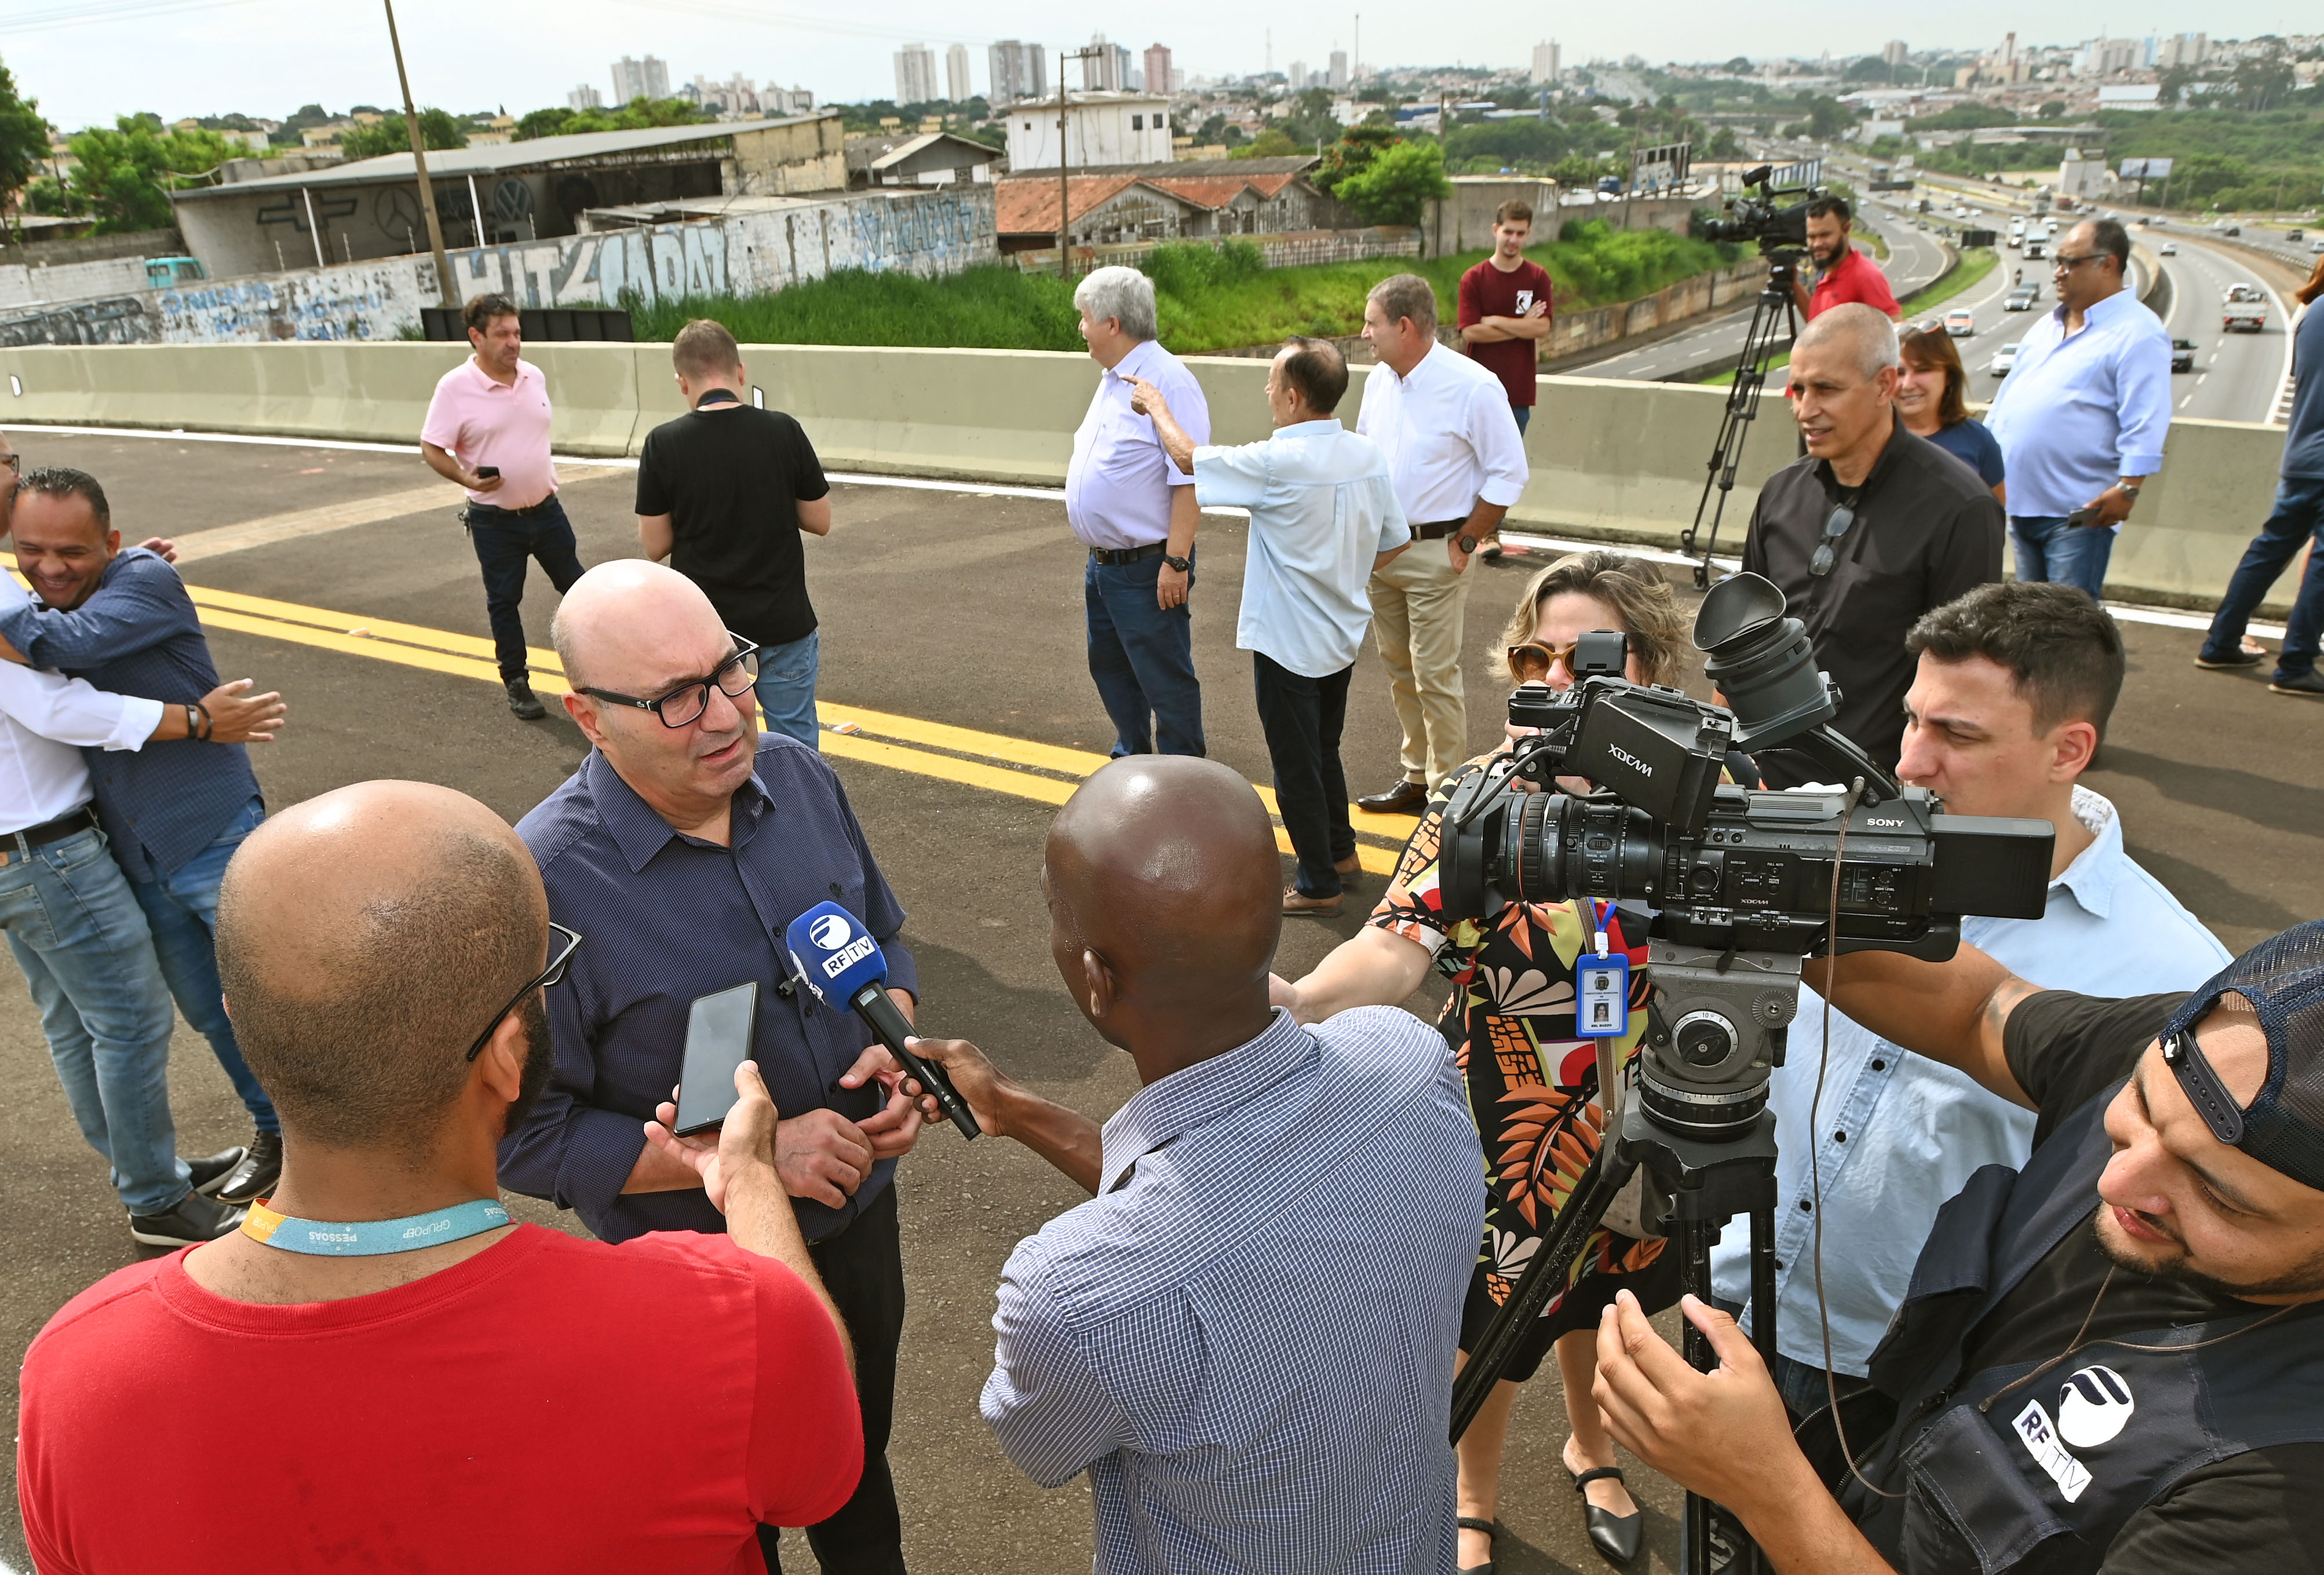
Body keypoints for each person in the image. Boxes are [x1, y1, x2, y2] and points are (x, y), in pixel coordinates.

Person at [17, 780, 863, 1572]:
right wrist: (747, 1178)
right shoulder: (728, 1325)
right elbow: (821, 1465)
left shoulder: (76, 1371)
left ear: (244, 1025)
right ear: (507, 1055)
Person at [878, 755, 1487, 1575]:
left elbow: (1041, 1436)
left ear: (1094, 978)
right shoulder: (1406, 1061)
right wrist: (1015, 1108)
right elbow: (1238, 1193)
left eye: (1057, 916)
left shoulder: (1070, 1286)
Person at [1594, 920, 2324, 1575]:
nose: (2118, 1177)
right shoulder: (2226, 1060)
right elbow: (1983, 1007)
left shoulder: (2286, 1494)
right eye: (2137, 1106)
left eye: (2217, 1194)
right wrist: (1780, 904)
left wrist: (1767, 1488)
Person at [1708, 581, 2231, 1417]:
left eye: (1956, 733)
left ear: (2068, 749)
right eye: (1912, 717)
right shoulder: (1809, 845)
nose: (1909, 760)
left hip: (1921, 1377)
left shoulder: (2174, 976)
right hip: (1732, 1301)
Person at [502, 560, 927, 1575]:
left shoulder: (803, 775)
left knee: (859, 1482)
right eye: (676, 698)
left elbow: (884, 935)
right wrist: (751, 1160)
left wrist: (896, 1036)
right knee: (728, 1525)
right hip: (691, 1273)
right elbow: (525, 1133)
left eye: (729, 669)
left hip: (857, 1221)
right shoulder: (542, 887)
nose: (728, 714)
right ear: (589, 717)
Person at [1275, 550, 1692, 1574]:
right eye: (1531, 654)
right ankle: (1470, 1492)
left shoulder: (1699, 795)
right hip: (1509, 1124)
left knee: (1609, 1302)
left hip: (1648, 1124)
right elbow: (1398, 938)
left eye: (1587, 656)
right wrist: (1302, 996)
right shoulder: (1481, 794)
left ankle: (1592, 1447)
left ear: (1648, 667)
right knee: (1493, 1325)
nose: (1553, 678)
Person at [0, 440, 285, 1247]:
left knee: (268, 992)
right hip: (129, 849)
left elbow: (75, 646)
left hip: (206, 827)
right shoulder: (38, 600)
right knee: (206, 1008)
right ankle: (267, 1132)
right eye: (33, 551)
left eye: (72, 550)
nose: (50, 567)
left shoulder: (143, 580)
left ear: (113, 544)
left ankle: (327, 1143)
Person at [1122, 336, 1411, 917]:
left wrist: (1156, 406)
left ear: (1296, 396)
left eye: (1273, 383)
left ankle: (1317, 881)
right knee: (1323, 747)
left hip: (1286, 638)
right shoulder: (1366, 455)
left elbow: (1189, 459)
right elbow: (1393, 543)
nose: (1267, 392)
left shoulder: (1277, 462)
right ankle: (1341, 850)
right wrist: (1339, 574)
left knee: (1293, 760)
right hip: (1340, 631)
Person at [1739, 304, 2004, 785]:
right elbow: (1743, 638)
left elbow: (1965, 679)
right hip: (1762, 782)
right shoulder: (1779, 493)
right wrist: (1733, 758)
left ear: (1885, 385)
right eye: (1798, 389)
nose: (1804, 409)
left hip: (1876, 795)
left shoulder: (1961, 508)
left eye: (1826, 389)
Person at [1354, 273, 1531, 815]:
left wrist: (1467, 540)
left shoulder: (1473, 385)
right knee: (1400, 671)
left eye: (1371, 322)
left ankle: (1447, 797)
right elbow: (1363, 456)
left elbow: (1508, 472)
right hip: (1381, 552)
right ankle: (1415, 777)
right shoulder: (1380, 381)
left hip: (1437, 552)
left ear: (1403, 326)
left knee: (1435, 676)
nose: (1364, 334)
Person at [638, 317, 835, 746]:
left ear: (682, 382)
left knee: (723, 741)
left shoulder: (663, 444)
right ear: (740, 372)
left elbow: (655, 546)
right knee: (797, 744)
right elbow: (820, 520)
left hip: (711, 633)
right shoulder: (782, 430)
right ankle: (801, 813)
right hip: (784, 623)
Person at [1064, 265, 1211, 759]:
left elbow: (1188, 478)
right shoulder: (1112, 379)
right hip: (1104, 565)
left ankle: (1182, 780)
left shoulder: (1169, 381)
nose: (1080, 328)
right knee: (1110, 667)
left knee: (1165, 679)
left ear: (1111, 322)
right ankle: (1133, 760)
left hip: (1148, 566)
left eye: (1084, 318)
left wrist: (1177, 561)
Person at [1984, 217, 2172, 603]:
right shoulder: (2044, 327)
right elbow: (2006, 401)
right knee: (2029, 625)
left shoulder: (2138, 332)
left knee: (2068, 628)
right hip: (2021, 504)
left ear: (2108, 264)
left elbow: (2146, 417)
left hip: (2076, 513)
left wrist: (2128, 488)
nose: (2058, 272)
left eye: (2071, 263)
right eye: (2058, 261)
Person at [420, 292, 585, 721]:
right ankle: (516, 681)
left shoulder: (533, 376)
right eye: (501, 334)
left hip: (547, 511)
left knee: (581, 591)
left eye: (516, 332)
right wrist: (465, 477)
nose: (513, 342)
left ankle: (605, 671)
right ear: (476, 336)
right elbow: (431, 447)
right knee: (504, 602)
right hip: (495, 520)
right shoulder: (454, 388)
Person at [2197, 253, 2324, 697]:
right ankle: (2296, 663)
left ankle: (2221, 641)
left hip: (2301, 456)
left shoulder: (2312, 314)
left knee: (2269, 549)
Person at [1458, 199, 1555, 440]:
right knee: (1474, 471)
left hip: (1518, 395)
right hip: (1477, 393)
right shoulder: (1474, 279)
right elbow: (1471, 332)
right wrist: (1523, 326)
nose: (1513, 239)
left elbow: (1542, 327)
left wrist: (1494, 320)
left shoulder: (1538, 278)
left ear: (1528, 234)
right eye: (1508, 232)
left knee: (1508, 472)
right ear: (1496, 230)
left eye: (1520, 233)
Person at [1896, 321, 2006, 503]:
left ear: (1949, 376)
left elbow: (1993, 517)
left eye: (1923, 370)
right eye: (1900, 372)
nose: (1908, 385)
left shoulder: (1978, 441)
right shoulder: (1868, 442)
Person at [1793, 196, 1902, 323]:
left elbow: (1895, 330)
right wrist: (1795, 286)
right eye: (1812, 237)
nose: (1817, 244)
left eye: (1825, 235)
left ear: (1847, 229)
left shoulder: (1866, 276)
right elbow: (1820, 327)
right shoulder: (1827, 271)